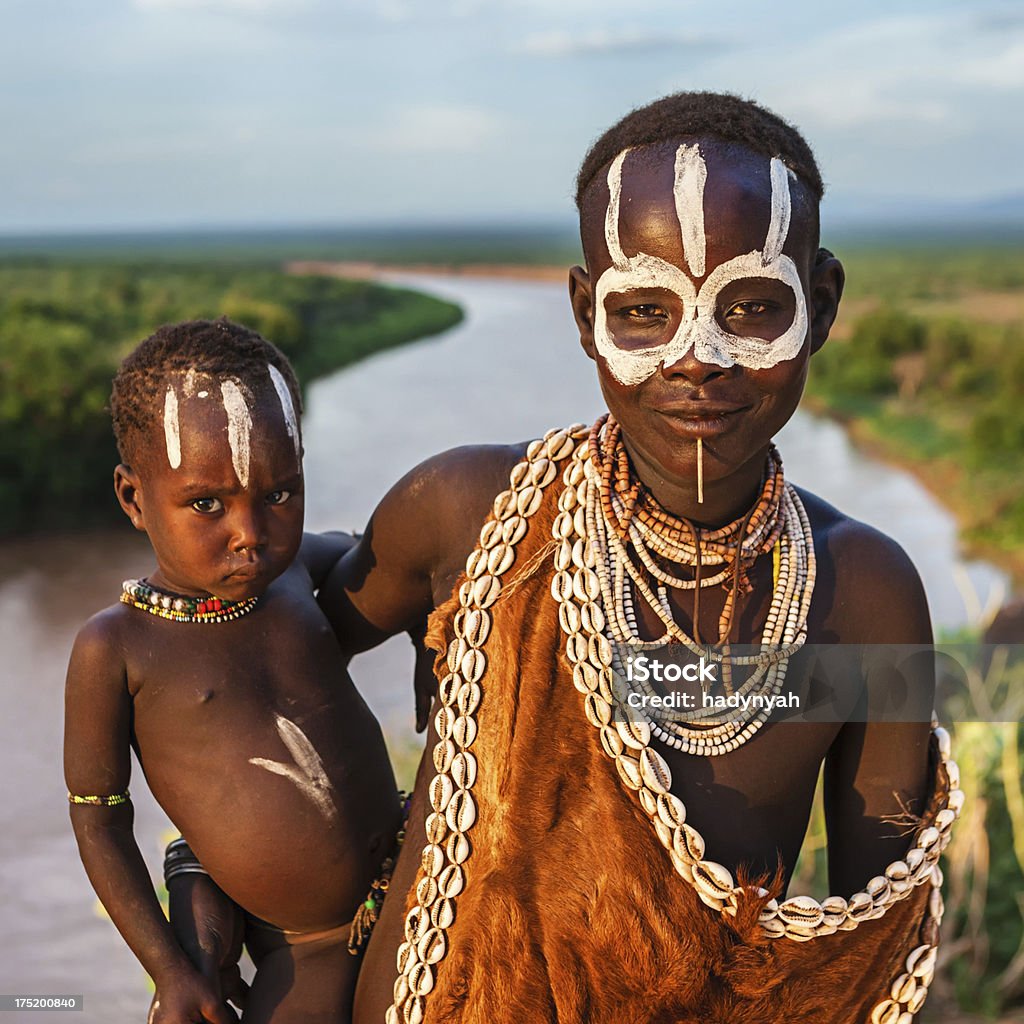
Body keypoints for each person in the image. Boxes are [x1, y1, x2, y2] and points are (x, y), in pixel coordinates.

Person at [179, 92, 962, 1023]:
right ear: (587, 315)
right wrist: (212, 871)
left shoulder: (869, 599)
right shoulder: (470, 519)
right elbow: (254, 654)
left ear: (820, 306)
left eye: (751, 308)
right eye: (644, 310)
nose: (697, 358)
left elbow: (871, 942)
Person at [64, 319, 405, 1024]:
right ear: (133, 499)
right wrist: (169, 970)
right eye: (207, 504)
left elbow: (385, 559)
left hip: (419, 859)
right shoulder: (115, 649)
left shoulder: (294, 575)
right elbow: (98, 817)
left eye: (280, 493)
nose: (251, 532)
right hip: (309, 948)